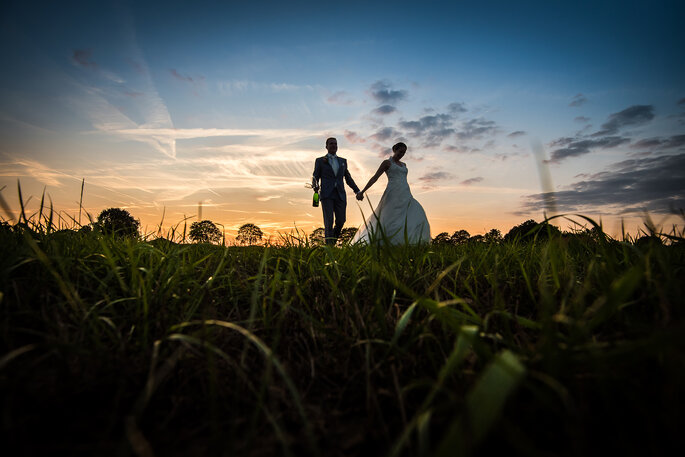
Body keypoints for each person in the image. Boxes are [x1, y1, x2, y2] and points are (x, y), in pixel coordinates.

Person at [352, 142, 431, 244]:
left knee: (416, 213)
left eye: (404, 152)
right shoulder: (387, 163)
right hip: (393, 193)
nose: (402, 154)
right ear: (395, 150)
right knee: (390, 218)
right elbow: (375, 178)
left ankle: (411, 242)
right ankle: (384, 242)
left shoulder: (404, 165)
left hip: (406, 193)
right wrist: (362, 191)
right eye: (400, 151)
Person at [312, 137, 364, 245]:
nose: (333, 145)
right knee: (329, 222)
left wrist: (357, 190)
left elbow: (348, 178)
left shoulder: (342, 161)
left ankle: (332, 241)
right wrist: (315, 186)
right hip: (327, 195)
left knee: (341, 220)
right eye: (331, 144)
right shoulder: (320, 161)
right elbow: (315, 177)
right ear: (326, 146)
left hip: (340, 195)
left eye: (335, 144)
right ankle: (329, 248)